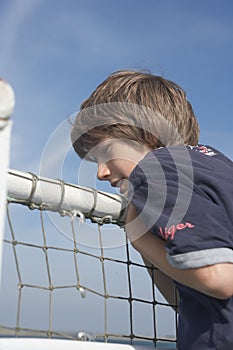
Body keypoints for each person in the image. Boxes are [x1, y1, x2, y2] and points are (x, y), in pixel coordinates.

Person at [71, 70, 233, 349]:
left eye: (106, 152)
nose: (100, 172)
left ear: (148, 137)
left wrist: (139, 238)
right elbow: (188, 298)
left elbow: (218, 279)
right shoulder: (216, 165)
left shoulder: (153, 171)